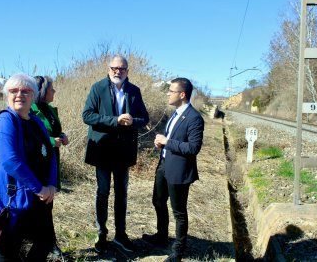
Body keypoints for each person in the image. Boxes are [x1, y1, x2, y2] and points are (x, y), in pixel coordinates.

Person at [0, 73, 57, 261]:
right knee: (8, 249)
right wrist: (39, 188)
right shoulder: (5, 120)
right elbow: (10, 161)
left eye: (26, 91)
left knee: (46, 241)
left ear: (33, 96)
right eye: (14, 90)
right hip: (13, 197)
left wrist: (51, 184)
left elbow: (50, 153)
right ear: (7, 94)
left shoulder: (36, 121)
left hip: (38, 195)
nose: (19, 95)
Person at [82, 54, 149, 254]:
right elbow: (87, 115)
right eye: (114, 68)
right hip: (103, 149)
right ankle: (101, 234)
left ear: (127, 71)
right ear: (108, 69)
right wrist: (115, 121)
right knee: (102, 192)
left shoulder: (134, 91)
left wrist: (132, 121)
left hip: (123, 151)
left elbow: (144, 118)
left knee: (122, 193)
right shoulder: (98, 88)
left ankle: (121, 235)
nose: (117, 72)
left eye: (122, 69)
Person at [142, 77, 204, 262]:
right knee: (158, 201)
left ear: (182, 94)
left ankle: (178, 250)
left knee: (179, 211)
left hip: (179, 171)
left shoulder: (194, 118)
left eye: (171, 91)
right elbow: (172, 140)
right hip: (163, 166)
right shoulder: (174, 114)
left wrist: (168, 142)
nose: (168, 93)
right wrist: (162, 144)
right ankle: (161, 236)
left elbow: (194, 148)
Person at [31, 75, 69, 256]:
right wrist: (49, 141)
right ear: (42, 91)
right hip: (38, 164)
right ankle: (47, 245)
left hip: (51, 161)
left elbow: (54, 130)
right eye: (51, 88)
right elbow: (31, 137)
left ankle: (46, 244)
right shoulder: (30, 110)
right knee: (42, 205)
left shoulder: (50, 110)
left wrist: (62, 136)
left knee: (47, 205)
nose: (54, 91)